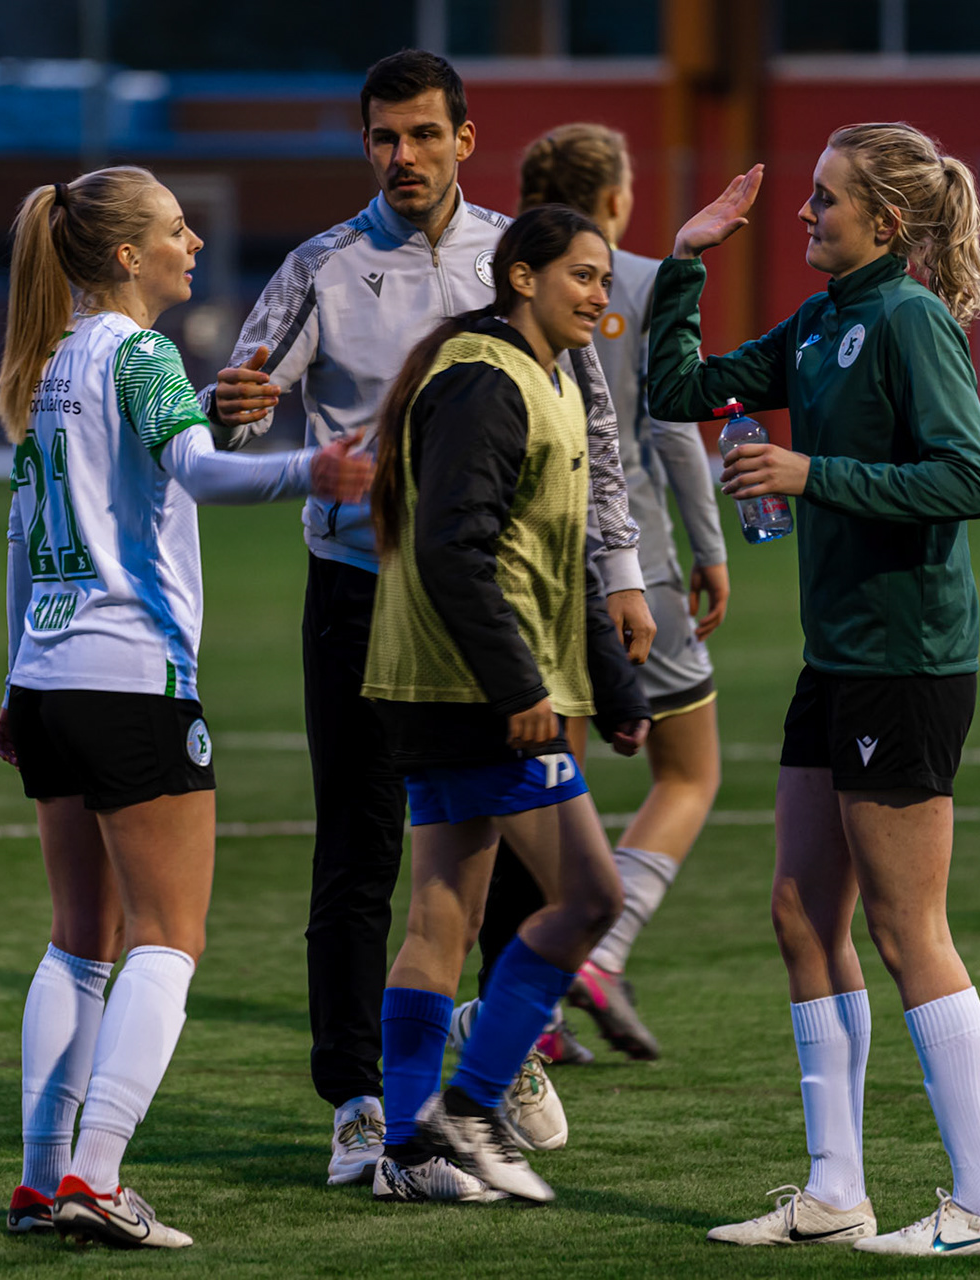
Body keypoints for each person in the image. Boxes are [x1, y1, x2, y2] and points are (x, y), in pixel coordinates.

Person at [201, 49, 655, 1185]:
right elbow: (243, 412)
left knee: (506, 856)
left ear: (464, 135)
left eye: (420, 134)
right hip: (360, 592)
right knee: (359, 848)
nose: (400, 156)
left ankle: (489, 1062)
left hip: (500, 603)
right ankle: (359, 1097)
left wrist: (622, 573)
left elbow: (592, 434)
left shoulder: (519, 259)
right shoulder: (322, 264)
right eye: (381, 138)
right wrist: (234, 406)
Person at [648, 125, 980, 1255]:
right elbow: (678, 385)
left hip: (907, 660)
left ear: (885, 223)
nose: (805, 213)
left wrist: (811, 473)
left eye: (824, 199)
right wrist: (686, 256)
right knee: (803, 913)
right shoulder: (821, 321)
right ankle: (834, 1188)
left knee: (912, 930)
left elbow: (970, 477)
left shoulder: (909, 321)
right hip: (840, 657)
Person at [0, 165, 371, 1249]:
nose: (192, 241)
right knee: (170, 937)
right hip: (132, 677)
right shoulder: (143, 353)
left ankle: (39, 1175)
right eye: (172, 228)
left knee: (78, 942)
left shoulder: (51, 361)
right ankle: (98, 1174)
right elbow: (200, 474)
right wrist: (319, 471)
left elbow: (24, 534)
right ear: (124, 255)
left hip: (52, 675)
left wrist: (15, 680)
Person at [362, 204, 646, 1204]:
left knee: (445, 909)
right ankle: (474, 1107)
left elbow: (552, 553)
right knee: (593, 895)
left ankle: (408, 1147)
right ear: (520, 277)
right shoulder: (487, 377)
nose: (599, 295)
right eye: (581, 274)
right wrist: (522, 686)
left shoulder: (544, 375)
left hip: (443, 682)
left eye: (606, 280)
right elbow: (451, 547)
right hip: (476, 687)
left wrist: (613, 687)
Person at [465, 122, 732, 1064]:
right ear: (614, 200)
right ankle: (600, 950)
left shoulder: (508, 287)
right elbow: (669, 430)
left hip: (540, 575)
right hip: (635, 570)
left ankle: (527, 1004)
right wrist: (712, 548)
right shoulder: (648, 280)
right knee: (691, 770)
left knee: (553, 786)